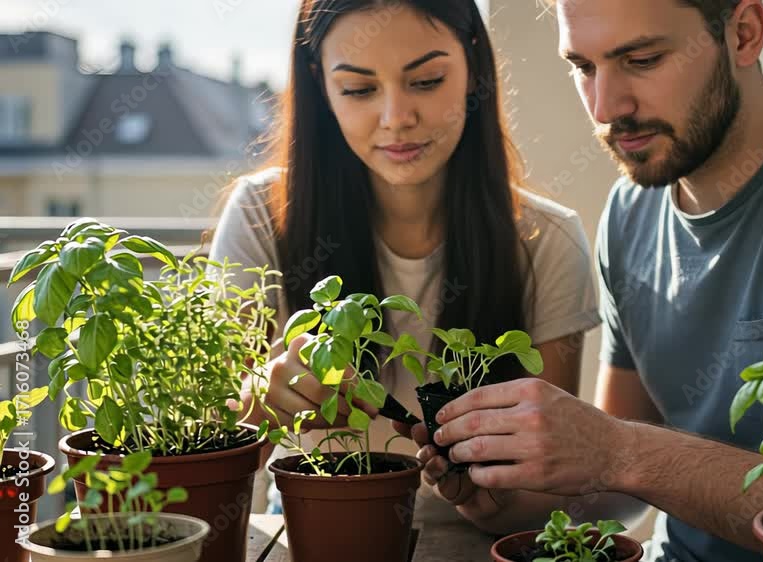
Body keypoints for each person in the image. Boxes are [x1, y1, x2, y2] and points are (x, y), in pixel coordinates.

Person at [396, 1, 763, 561]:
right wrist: (505, 499)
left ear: (744, 33)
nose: (605, 107)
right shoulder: (631, 213)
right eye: (583, 66)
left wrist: (616, 449)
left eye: (642, 59)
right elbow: (617, 491)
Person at [209, 0, 600, 511]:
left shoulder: (548, 241)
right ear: (320, 85)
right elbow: (205, 453)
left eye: (426, 81)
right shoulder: (262, 217)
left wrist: (491, 501)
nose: (396, 119)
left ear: (473, 65)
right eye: (359, 89)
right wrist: (258, 401)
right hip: (315, 531)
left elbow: (547, 499)